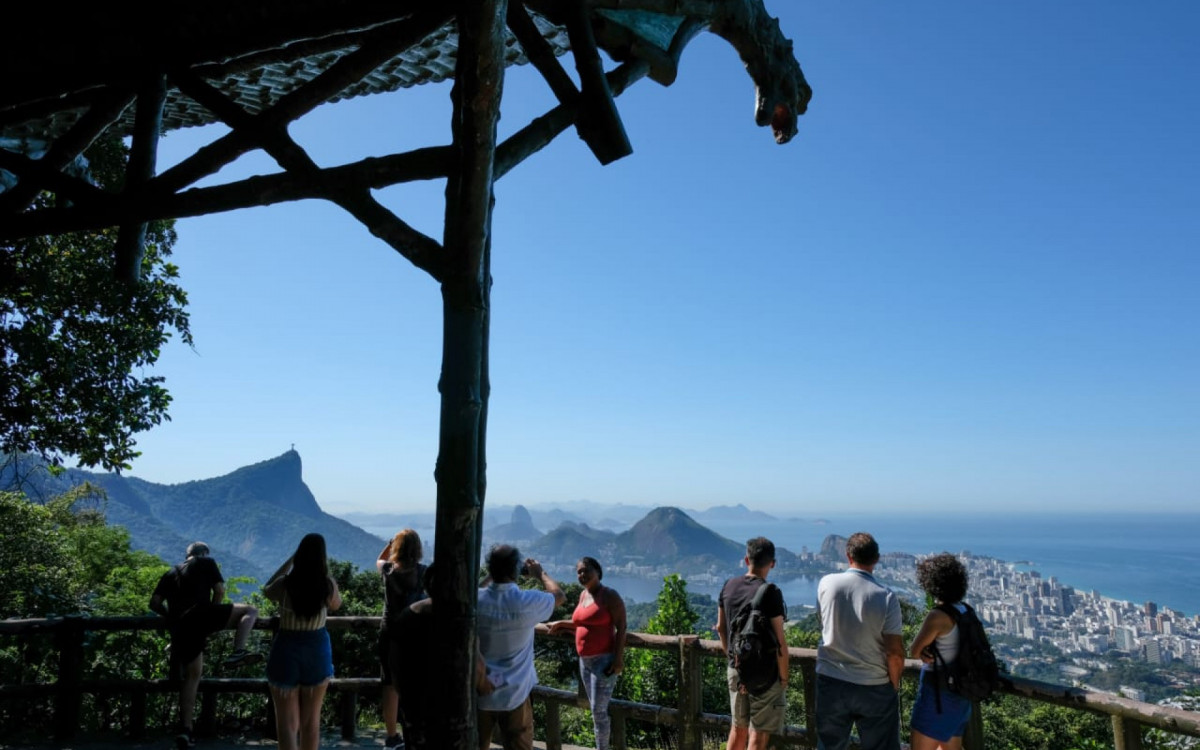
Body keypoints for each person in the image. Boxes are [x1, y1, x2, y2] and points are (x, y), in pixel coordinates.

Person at [149, 541, 260, 750]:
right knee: (251, 611)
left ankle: (185, 730)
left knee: (192, 678)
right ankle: (238, 651)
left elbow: (154, 603)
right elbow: (219, 590)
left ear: (187, 555)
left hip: (181, 627)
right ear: (203, 553)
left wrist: (173, 618)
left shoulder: (171, 572)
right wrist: (212, 617)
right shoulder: (206, 562)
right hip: (202, 615)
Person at [815, 532, 905, 750]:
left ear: (848, 556)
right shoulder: (886, 596)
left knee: (829, 746)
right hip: (874, 685)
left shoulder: (827, 583)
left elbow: (823, 624)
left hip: (831, 679)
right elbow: (895, 652)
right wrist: (894, 684)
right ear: (876, 559)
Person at [388, 564, 494, 750]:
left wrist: (403, 693)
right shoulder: (460, 617)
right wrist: (483, 683)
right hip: (453, 709)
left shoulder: (408, 615)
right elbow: (476, 663)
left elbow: (394, 663)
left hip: (414, 705)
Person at [476, 544, 565, 750]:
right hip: (515, 693)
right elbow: (559, 596)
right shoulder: (526, 601)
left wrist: (492, 575)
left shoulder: (477, 600)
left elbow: (480, 589)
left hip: (479, 691)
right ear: (515, 570)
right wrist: (540, 573)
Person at [263, 533, 343, 750]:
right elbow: (336, 605)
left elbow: (266, 589)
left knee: (287, 725)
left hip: (286, 650)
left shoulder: (284, 585)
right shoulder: (327, 586)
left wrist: (289, 561)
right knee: (311, 723)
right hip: (316, 652)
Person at [547, 556, 628, 750]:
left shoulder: (609, 596)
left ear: (598, 572)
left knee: (598, 711)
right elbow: (581, 623)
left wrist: (618, 660)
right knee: (595, 709)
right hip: (585, 661)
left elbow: (622, 627)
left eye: (586, 570)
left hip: (604, 660)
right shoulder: (584, 595)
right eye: (579, 572)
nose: (582, 574)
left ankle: (603, 748)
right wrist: (561, 624)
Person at [715, 537, 789, 750]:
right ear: (772, 563)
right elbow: (780, 642)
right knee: (758, 734)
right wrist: (783, 678)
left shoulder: (728, 586)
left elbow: (721, 628)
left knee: (737, 729)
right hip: (765, 673)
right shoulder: (770, 592)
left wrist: (732, 658)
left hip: (736, 668)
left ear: (746, 559)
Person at [909, 554, 973, 750]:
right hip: (960, 696)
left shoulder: (938, 616)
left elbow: (913, 650)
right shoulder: (965, 611)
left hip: (937, 695)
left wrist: (923, 651)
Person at [377, 529, 427, 750]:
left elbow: (379, 559)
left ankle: (391, 736)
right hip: (416, 634)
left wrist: (390, 544)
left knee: (389, 685)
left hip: (390, 633)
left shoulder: (389, 570)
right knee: (416, 683)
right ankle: (416, 732)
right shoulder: (425, 572)